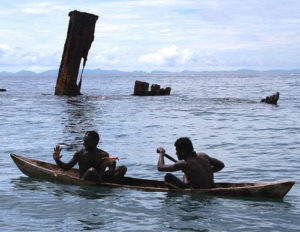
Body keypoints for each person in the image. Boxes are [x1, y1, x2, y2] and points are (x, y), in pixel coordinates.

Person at [53, 131, 127, 182]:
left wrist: (112, 166)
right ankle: (105, 183)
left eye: (86, 141)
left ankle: (106, 183)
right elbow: (67, 167)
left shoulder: (104, 154)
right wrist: (57, 160)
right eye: (84, 141)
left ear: (96, 142)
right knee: (91, 171)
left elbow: (110, 171)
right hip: (85, 179)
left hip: (101, 178)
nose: (84, 144)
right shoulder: (80, 154)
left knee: (122, 168)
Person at [157, 137, 224, 189]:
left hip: (198, 191)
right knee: (186, 173)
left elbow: (160, 167)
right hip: (211, 187)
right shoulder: (203, 155)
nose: (176, 153)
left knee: (168, 177)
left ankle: (184, 191)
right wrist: (204, 172)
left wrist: (161, 154)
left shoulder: (184, 164)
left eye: (177, 150)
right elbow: (221, 165)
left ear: (183, 152)